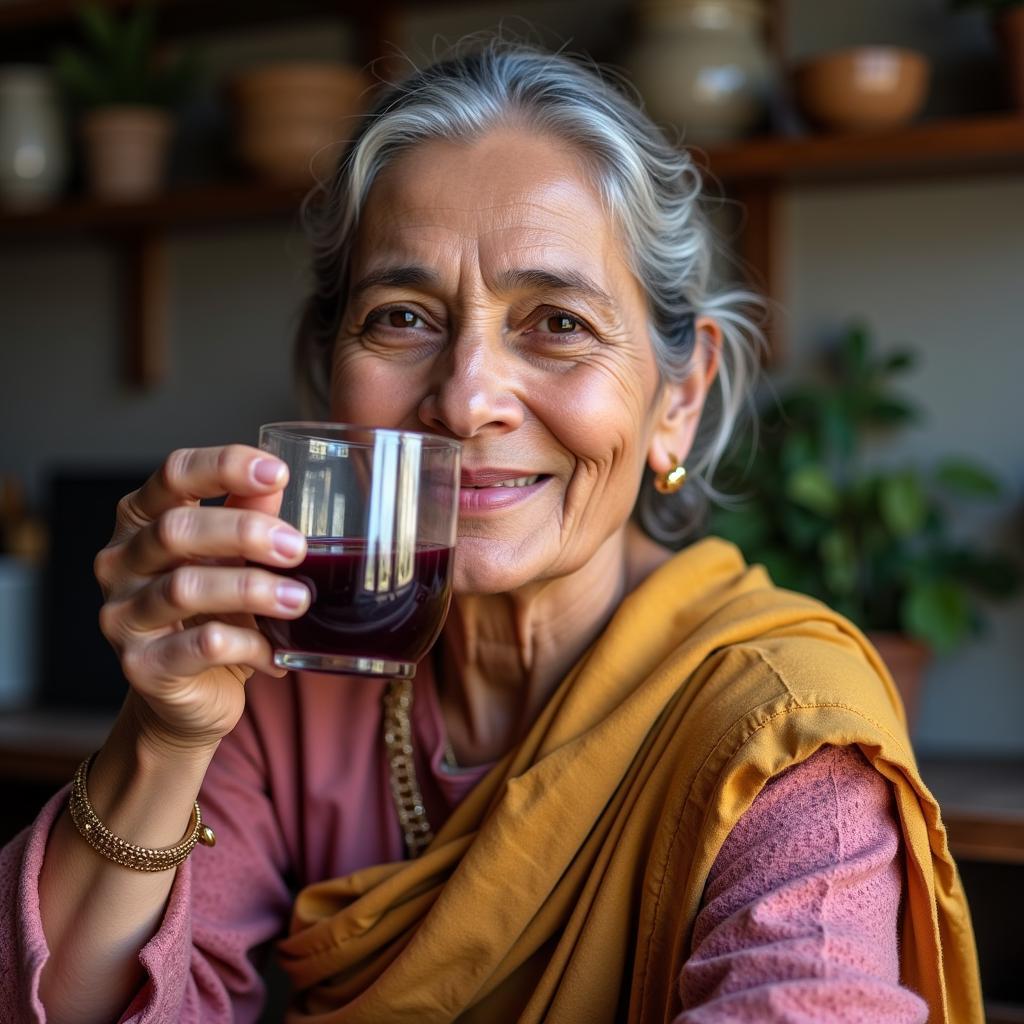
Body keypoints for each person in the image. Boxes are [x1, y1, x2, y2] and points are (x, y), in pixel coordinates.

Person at [1, 41, 982, 1024]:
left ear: (679, 396)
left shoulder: (777, 726)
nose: (467, 400)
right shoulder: (285, 682)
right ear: (330, 375)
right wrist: (165, 739)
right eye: (400, 317)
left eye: (555, 321)